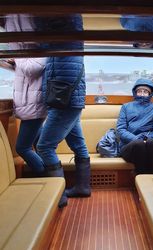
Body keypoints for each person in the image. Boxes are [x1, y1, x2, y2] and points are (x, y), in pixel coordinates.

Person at [36, 14, 90, 208]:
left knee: (44, 147)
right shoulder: (70, 42)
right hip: (70, 101)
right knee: (78, 146)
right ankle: (83, 187)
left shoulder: (63, 40)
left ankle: (59, 197)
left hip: (64, 103)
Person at [5, 14, 47, 176]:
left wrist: (17, 58)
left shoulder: (42, 51)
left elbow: (31, 69)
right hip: (30, 105)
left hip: (34, 106)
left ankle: (47, 178)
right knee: (38, 144)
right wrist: (17, 61)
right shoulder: (29, 53)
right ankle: (50, 178)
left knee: (22, 148)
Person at [117, 78, 153, 175]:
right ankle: (141, 178)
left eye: (145, 91)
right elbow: (121, 129)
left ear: (150, 93)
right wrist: (136, 139)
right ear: (135, 92)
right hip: (129, 146)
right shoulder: (126, 107)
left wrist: (146, 139)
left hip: (149, 143)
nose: (142, 94)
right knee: (139, 144)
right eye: (139, 91)